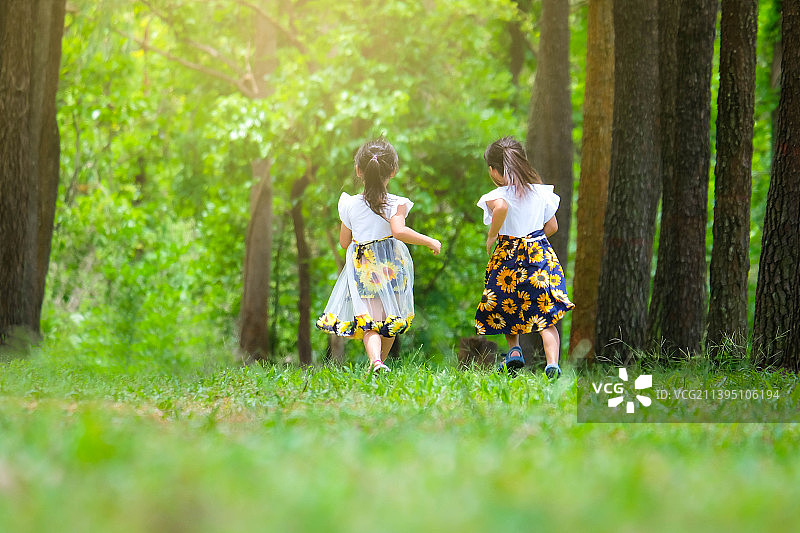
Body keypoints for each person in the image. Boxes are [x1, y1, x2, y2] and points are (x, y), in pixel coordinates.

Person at [316, 138, 441, 373]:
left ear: (358, 170)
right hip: (391, 265)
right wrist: (430, 240)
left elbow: (344, 242)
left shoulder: (350, 205)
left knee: (370, 321)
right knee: (391, 318)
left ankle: (377, 364)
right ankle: (378, 363)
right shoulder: (396, 204)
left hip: (364, 267)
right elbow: (399, 231)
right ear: (392, 171)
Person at [474, 136, 574, 379]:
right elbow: (553, 227)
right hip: (538, 254)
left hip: (508, 255)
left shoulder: (496, 195)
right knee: (545, 314)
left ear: (493, 170)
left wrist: (492, 236)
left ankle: (515, 351)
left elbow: (502, 208)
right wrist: (534, 237)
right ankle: (552, 364)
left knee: (508, 306)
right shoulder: (541, 193)